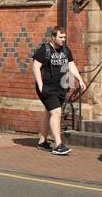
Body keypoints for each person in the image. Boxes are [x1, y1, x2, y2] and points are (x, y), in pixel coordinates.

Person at [32, 26, 86, 155]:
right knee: (56, 112)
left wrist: (80, 79)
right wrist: (40, 86)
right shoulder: (43, 50)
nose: (63, 40)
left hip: (60, 88)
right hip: (47, 88)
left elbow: (71, 65)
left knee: (49, 113)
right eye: (60, 37)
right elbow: (36, 67)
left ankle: (42, 141)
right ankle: (58, 145)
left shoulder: (66, 50)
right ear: (53, 37)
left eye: (64, 37)